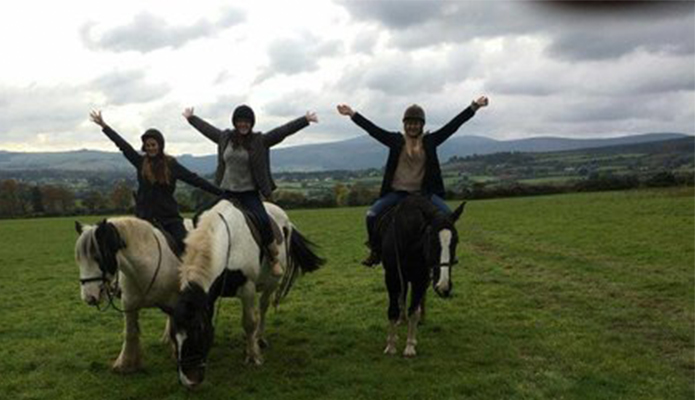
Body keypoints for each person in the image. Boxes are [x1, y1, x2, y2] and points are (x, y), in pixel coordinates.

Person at [337, 97, 489, 266]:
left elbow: (453, 126)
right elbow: (373, 130)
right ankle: (375, 251)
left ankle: (447, 254)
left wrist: (474, 107)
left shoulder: (430, 141)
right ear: (404, 124)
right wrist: (352, 114)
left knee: (448, 218)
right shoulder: (396, 140)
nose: (412, 126)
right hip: (397, 193)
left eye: (416, 123)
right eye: (409, 123)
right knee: (371, 215)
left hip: (423, 195)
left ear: (422, 125)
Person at [183, 104, 318, 276]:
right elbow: (207, 130)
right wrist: (191, 119)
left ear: (251, 123)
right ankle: (205, 254)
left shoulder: (259, 141)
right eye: (240, 121)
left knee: (263, 221)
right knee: (199, 216)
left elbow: (282, 131)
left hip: (249, 193)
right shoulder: (225, 138)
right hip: (227, 193)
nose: (243, 124)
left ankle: (273, 258)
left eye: (247, 121)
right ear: (235, 122)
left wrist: (305, 120)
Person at [89, 110, 224, 256]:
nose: (151, 148)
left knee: (186, 247)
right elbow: (123, 146)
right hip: (144, 218)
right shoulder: (140, 163)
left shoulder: (171, 165)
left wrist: (221, 193)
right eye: (148, 145)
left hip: (169, 218)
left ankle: (190, 276)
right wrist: (104, 126)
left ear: (160, 145)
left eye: (153, 144)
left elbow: (194, 180)